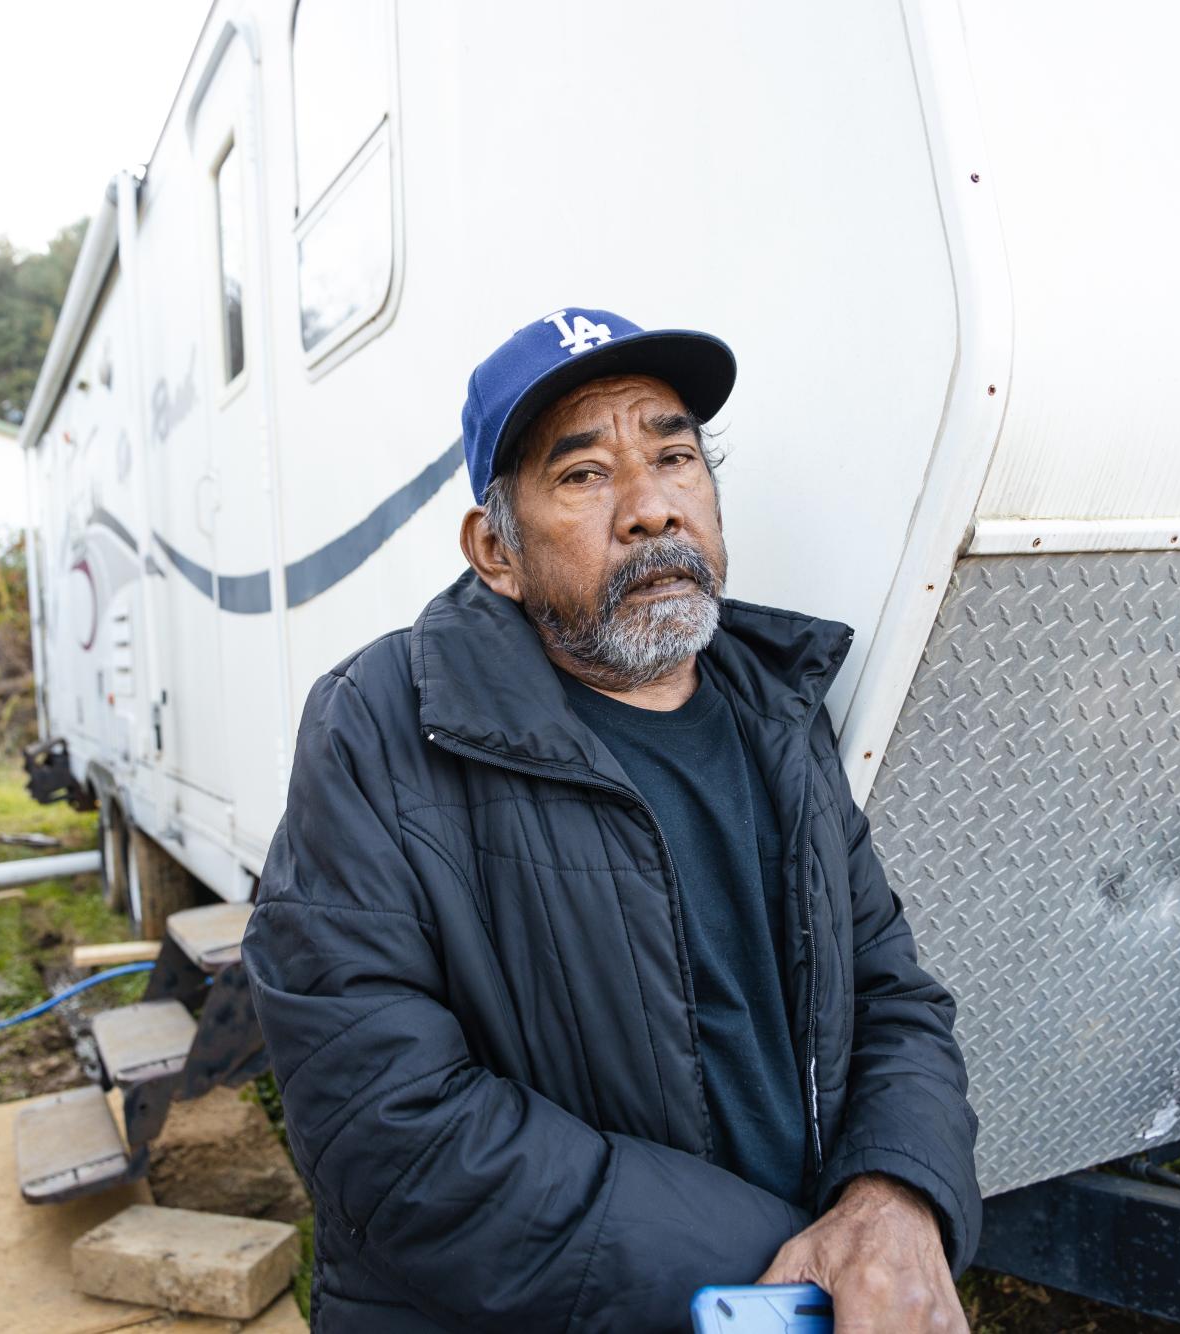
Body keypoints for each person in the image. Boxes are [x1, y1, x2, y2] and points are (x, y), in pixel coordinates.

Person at [243, 307, 980, 1332]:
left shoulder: (778, 714)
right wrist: (788, 1278)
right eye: (584, 475)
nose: (651, 508)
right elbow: (389, 1127)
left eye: (676, 457)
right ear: (494, 550)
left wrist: (892, 1197)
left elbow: (893, 998)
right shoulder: (380, 725)